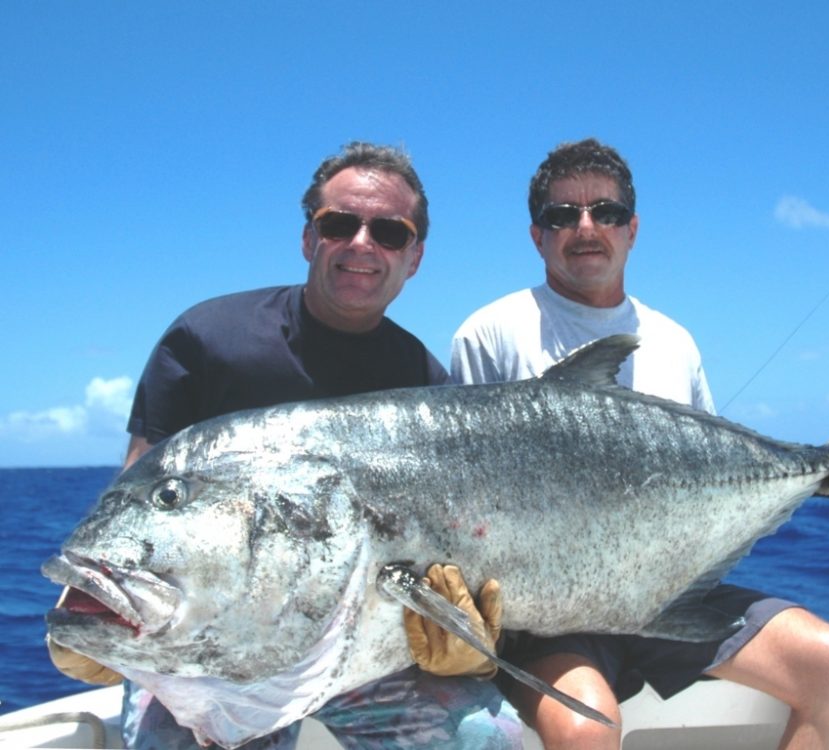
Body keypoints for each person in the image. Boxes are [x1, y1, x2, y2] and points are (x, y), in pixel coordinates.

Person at [47, 142, 523, 750]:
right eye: (339, 224)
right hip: (201, 653)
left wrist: (467, 640)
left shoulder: (426, 385)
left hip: (359, 653)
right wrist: (84, 614)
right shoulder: (206, 340)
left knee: (487, 739)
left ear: (416, 257)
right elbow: (136, 498)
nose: (360, 243)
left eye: (389, 231)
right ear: (309, 239)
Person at [442, 138, 829, 750]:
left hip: (672, 598)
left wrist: (818, 471)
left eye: (607, 212)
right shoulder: (490, 333)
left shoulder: (674, 339)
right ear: (537, 236)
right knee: (585, 728)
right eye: (563, 215)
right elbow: (456, 498)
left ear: (633, 229)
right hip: (549, 618)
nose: (586, 227)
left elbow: (716, 481)